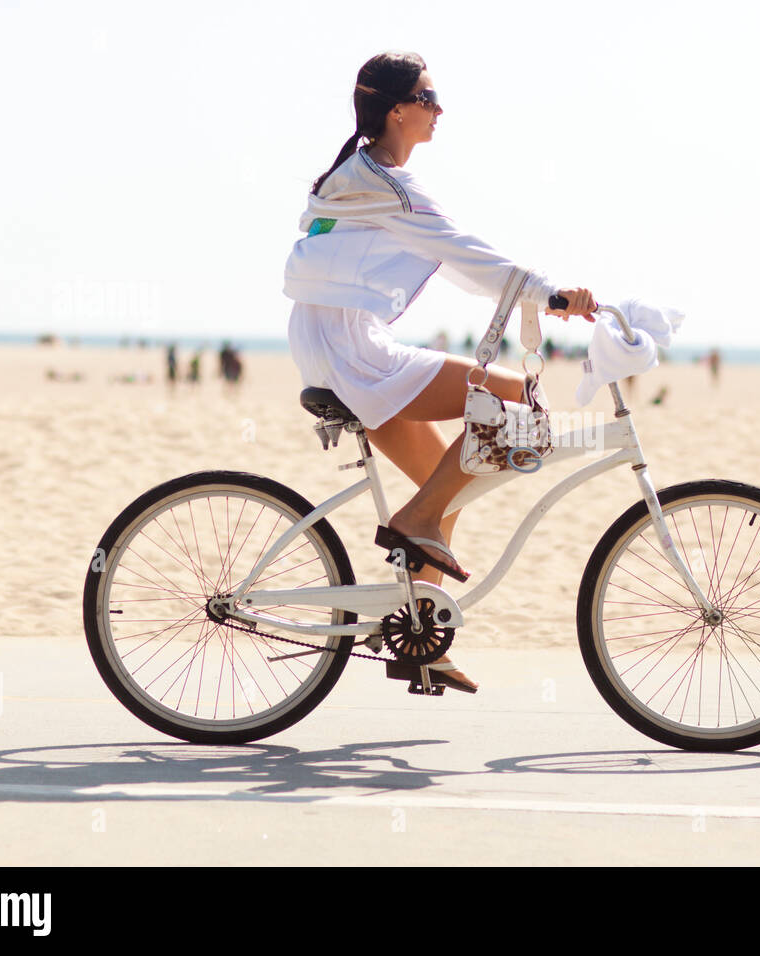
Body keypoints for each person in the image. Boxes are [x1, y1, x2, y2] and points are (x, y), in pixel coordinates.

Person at [283, 52, 596, 693]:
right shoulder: (389, 185)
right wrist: (550, 293)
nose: (440, 109)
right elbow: (465, 253)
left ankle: (420, 636)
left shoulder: (361, 174)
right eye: (429, 98)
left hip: (326, 343)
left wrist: (531, 296)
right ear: (398, 110)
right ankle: (412, 525)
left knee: (442, 487)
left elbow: (453, 261)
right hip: (352, 350)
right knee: (514, 397)